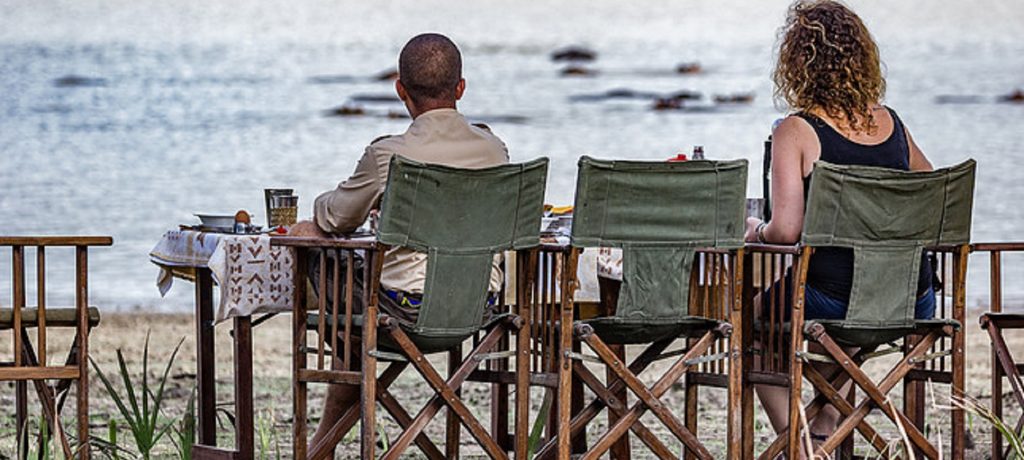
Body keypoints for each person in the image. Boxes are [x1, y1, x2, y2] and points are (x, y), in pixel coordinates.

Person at [290, 32, 509, 451]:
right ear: (461, 88)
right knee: (358, 315)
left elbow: (335, 216)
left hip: (402, 315)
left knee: (320, 256)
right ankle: (322, 443)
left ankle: (320, 444)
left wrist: (316, 217)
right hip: (480, 308)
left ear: (400, 90)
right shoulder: (494, 150)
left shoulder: (389, 154)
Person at [742, 0, 936, 452]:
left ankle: (800, 444)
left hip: (835, 298)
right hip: (913, 299)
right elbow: (931, 197)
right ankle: (827, 426)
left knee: (753, 323)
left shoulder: (797, 130)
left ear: (796, 63)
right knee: (839, 334)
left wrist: (755, 230)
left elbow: (786, 231)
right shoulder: (892, 123)